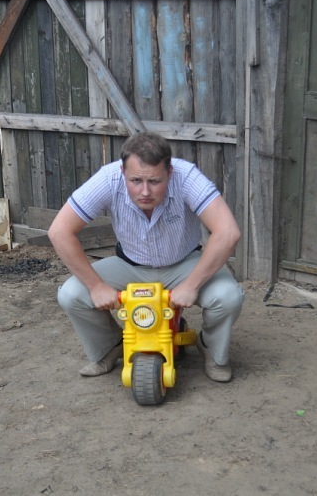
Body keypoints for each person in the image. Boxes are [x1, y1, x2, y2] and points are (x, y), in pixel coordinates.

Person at [48, 132, 243, 382]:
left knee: (228, 297)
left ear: (169, 173)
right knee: (71, 294)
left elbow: (228, 232)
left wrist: (191, 285)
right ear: (123, 172)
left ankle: (211, 348)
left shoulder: (187, 176)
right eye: (136, 181)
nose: (145, 191)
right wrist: (96, 287)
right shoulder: (108, 178)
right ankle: (110, 346)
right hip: (130, 266)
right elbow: (59, 231)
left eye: (154, 181)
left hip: (184, 264)